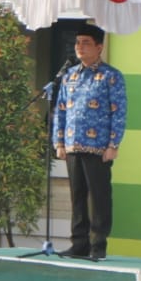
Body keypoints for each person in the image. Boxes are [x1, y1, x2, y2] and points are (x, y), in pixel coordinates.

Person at [53, 25, 127, 261]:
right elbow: (61, 110)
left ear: (99, 47)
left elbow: (119, 112)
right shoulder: (69, 76)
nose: (80, 47)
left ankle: (98, 245)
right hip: (73, 145)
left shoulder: (111, 76)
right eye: (77, 43)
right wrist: (59, 142)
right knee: (77, 196)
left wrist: (113, 144)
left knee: (99, 197)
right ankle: (79, 244)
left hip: (99, 147)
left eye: (86, 43)